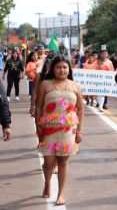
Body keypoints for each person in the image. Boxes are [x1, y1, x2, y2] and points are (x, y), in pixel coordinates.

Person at [35, 56, 83, 205]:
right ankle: (47, 184)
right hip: (48, 130)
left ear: (69, 69)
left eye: (64, 67)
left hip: (68, 131)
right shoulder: (45, 84)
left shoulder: (75, 86)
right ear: (52, 69)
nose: (61, 70)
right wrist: (39, 127)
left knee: (63, 161)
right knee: (48, 162)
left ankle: (60, 194)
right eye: (58, 67)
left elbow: (80, 109)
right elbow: (38, 106)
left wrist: (80, 131)